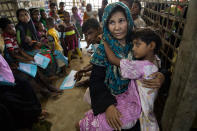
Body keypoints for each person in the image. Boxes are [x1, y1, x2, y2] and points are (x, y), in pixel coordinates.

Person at [78, 2, 165, 130]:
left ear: (128, 21)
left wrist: (162, 75)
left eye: (121, 21)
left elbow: (152, 61)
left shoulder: (136, 43)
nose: (117, 27)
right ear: (106, 25)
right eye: (112, 22)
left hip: (137, 106)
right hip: (110, 101)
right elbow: (96, 81)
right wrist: (108, 105)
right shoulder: (103, 50)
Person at [103, 28, 161, 131]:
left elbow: (113, 60)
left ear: (151, 46)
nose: (133, 48)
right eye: (133, 45)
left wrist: (104, 42)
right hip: (148, 108)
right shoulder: (156, 61)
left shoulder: (141, 66)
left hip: (136, 110)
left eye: (137, 45)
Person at [75, 18, 102, 87]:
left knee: (98, 71)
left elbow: (98, 64)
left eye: (90, 33)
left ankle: (88, 81)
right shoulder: (96, 42)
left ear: (99, 29)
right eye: (86, 35)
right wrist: (83, 70)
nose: (88, 38)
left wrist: (84, 71)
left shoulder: (104, 42)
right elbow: (95, 60)